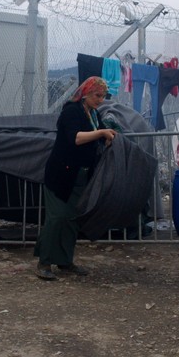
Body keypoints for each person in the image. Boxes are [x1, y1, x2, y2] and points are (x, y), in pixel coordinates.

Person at [34, 76, 117, 280]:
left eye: (103, 96)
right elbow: (75, 138)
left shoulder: (94, 114)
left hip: (81, 174)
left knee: (72, 218)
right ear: (86, 93)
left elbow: (92, 140)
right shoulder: (71, 111)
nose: (100, 99)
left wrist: (103, 140)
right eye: (97, 95)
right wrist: (100, 134)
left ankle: (65, 261)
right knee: (57, 217)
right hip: (62, 173)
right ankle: (44, 261)